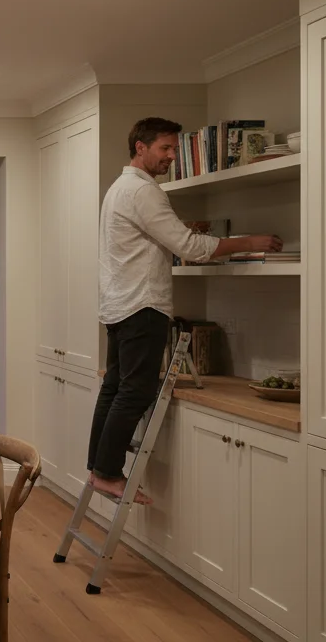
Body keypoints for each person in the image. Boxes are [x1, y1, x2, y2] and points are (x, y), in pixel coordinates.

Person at [89, 117, 283, 503]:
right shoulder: (143, 191)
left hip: (118, 303)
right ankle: (108, 473)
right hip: (143, 304)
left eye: (174, 150)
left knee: (115, 386)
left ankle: (98, 467)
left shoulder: (118, 188)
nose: (171, 157)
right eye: (165, 148)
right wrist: (248, 242)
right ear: (140, 147)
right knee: (135, 389)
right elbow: (188, 246)